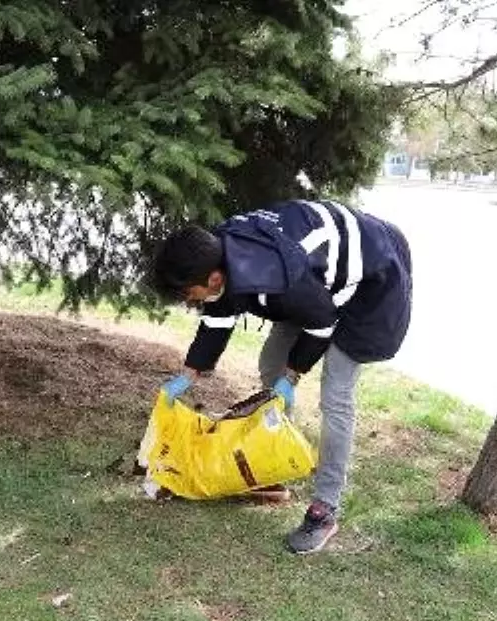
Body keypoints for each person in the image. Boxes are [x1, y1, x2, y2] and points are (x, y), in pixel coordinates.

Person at [147, 199, 413, 554]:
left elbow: (321, 325)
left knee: (335, 393)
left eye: (186, 294)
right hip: (316, 285)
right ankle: (270, 465)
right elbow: (217, 319)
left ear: (212, 278)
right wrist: (186, 378)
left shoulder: (278, 275)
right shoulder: (222, 255)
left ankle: (325, 508)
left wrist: (294, 375)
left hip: (373, 286)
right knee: (271, 362)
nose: (187, 301)